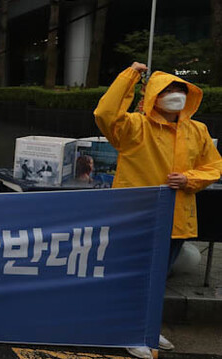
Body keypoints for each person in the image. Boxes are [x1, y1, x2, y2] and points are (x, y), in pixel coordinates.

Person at [95, 62, 222, 359]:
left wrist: (190, 178)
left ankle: (147, 328)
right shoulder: (133, 127)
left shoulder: (197, 130)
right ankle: (130, 331)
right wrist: (131, 75)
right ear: (152, 95)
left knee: (157, 279)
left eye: (180, 90)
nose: (175, 95)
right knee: (133, 277)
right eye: (167, 90)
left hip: (177, 219)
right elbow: (104, 113)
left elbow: (214, 166)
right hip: (136, 216)